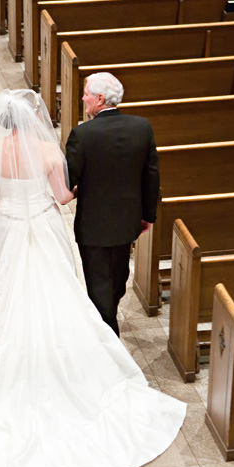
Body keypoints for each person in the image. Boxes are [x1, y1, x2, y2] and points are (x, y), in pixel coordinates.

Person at [0, 88, 185, 467]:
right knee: (58, 290)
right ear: (34, 118)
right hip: (42, 225)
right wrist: (79, 188)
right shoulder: (48, 152)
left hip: (7, 226)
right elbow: (61, 196)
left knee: (5, 293)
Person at [66, 72, 159, 337]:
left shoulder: (82, 135)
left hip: (93, 225)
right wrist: (147, 215)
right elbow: (151, 176)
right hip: (127, 222)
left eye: (86, 94)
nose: (83, 98)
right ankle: (109, 327)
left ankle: (108, 338)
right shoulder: (141, 127)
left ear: (100, 99)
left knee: (98, 286)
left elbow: (69, 179)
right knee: (118, 280)